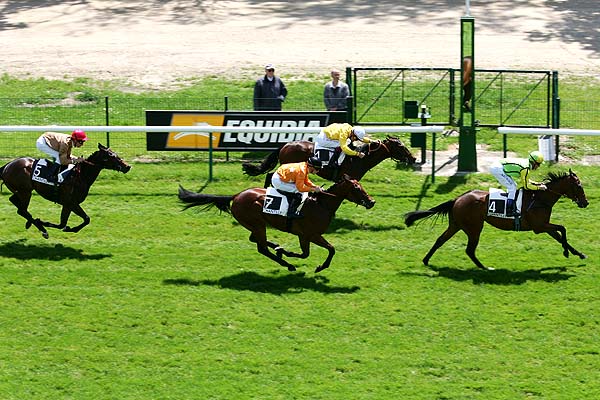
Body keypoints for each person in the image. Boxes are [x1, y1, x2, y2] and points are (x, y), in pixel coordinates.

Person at [489, 150, 547, 216]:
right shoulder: (525, 169)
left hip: (498, 166)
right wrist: (539, 188)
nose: (538, 167)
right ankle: (509, 210)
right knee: (512, 187)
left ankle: (510, 200)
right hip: (497, 169)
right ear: (533, 163)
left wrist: (537, 183)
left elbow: (526, 180)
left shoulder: (526, 165)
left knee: (514, 185)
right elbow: (526, 186)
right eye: (538, 164)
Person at [313, 123, 378, 168]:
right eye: (356, 138)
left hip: (328, 134)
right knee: (344, 145)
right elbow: (344, 148)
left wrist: (371, 141)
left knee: (348, 142)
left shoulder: (350, 129)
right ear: (353, 134)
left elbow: (361, 138)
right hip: (323, 139)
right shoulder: (344, 134)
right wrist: (357, 154)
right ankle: (337, 163)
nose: (356, 140)